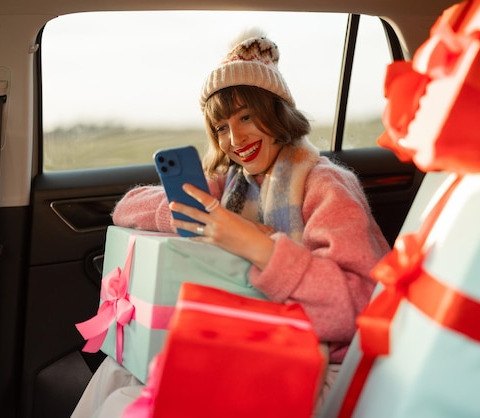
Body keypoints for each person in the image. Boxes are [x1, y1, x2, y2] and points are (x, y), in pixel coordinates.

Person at [72, 29, 390, 417]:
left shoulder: (324, 184)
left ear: (278, 114)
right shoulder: (236, 186)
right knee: (118, 370)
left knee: (131, 403)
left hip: (321, 360)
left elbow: (360, 306)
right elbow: (127, 207)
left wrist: (258, 246)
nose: (235, 138)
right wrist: (186, 209)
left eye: (246, 116)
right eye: (221, 127)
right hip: (249, 336)